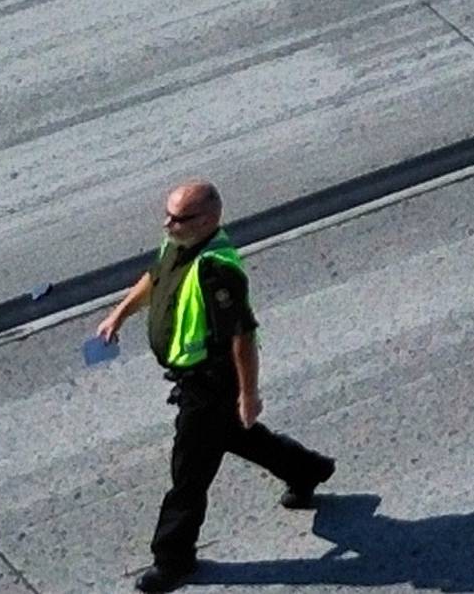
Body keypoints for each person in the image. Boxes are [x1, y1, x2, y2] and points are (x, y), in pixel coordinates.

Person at [93, 182, 335, 593]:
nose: (168, 223)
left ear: (208, 220)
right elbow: (155, 279)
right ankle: (308, 469)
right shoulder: (177, 242)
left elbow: (242, 336)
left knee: (188, 474)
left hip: (210, 384)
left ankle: (173, 559)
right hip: (196, 383)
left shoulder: (217, 269)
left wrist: (248, 394)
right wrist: (120, 314)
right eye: (168, 214)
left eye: (179, 218)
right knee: (238, 437)